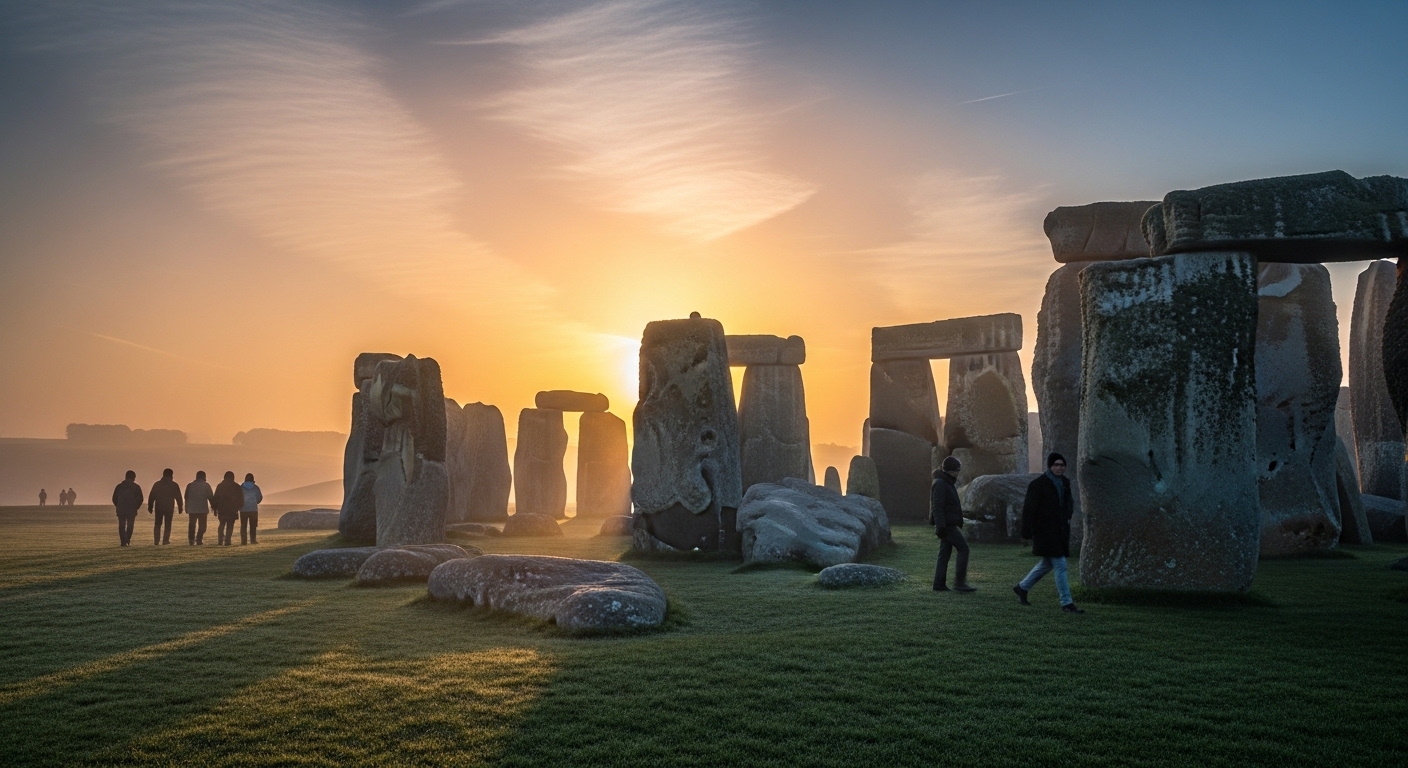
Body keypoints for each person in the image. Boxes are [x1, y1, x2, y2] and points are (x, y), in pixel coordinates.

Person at [1014, 453, 1084, 614]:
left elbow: (1068, 503)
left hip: (1060, 530)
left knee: (1047, 564)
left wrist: (1067, 517)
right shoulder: (1038, 484)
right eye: (1056, 465)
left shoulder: (1065, 482)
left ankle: (1022, 587)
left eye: (1062, 465)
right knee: (1060, 564)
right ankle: (1067, 603)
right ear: (1050, 466)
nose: (1059, 468)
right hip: (1044, 530)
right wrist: (1026, 532)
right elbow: (1029, 509)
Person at [931, 455, 975, 593]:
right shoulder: (941, 483)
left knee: (944, 554)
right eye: (956, 470)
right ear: (950, 471)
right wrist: (941, 527)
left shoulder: (946, 482)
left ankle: (939, 584)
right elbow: (937, 507)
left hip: (947, 524)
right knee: (963, 549)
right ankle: (959, 583)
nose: (958, 473)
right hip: (947, 525)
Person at [147, 468, 183, 546]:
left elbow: (152, 496)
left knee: (158, 523)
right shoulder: (174, 485)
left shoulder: (157, 484)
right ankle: (165, 540)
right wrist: (180, 507)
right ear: (171, 475)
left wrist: (150, 506)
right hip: (169, 506)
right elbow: (178, 497)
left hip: (159, 506)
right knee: (168, 524)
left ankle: (156, 540)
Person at [111, 471, 143, 546]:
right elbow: (140, 499)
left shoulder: (119, 486)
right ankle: (127, 540)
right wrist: (136, 507)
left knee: (121, 525)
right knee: (130, 525)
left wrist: (118, 505)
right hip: (131, 509)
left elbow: (114, 498)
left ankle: (123, 541)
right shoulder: (136, 487)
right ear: (133, 477)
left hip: (121, 509)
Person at [213, 471, 244, 546]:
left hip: (222, 509)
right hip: (232, 509)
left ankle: (220, 540)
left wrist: (215, 508)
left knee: (221, 524)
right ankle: (228, 540)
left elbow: (216, 498)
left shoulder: (220, 486)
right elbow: (241, 499)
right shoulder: (237, 486)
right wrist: (238, 508)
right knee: (230, 525)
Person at [184, 471, 214, 546]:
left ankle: (191, 540)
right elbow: (210, 497)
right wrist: (213, 506)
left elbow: (186, 497)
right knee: (203, 526)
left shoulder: (190, 485)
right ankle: (199, 539)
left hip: (192, 508)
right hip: (202, 509)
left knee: (192, 525)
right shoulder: (206, 485)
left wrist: (186, 507)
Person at [239, 473, 263, 545]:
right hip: (253, 509)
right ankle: (253, 540)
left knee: (243, 526)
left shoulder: (241, 487)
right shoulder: (255, 487)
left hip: (243, 509)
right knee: (253, 526)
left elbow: (238, 497)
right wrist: (255, 502)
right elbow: (259, 497)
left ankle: (244, 541)